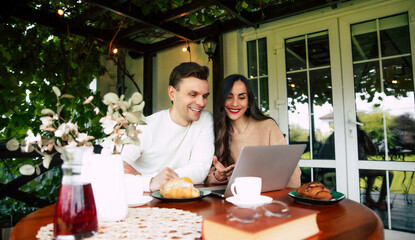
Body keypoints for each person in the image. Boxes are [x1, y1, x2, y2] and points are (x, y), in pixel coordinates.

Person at [122, 62, 215, 192]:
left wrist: (162, 180)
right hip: (143, 201)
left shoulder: (204, 119)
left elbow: (200, 170)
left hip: (180, 200)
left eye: (204, 96)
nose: (201, 103)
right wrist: (150, 182)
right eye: (193, 95)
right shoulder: (145, 126)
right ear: (172, 93)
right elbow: (112, 166)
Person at [204, 74, 301, 188]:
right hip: (234, 199)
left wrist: (288, 198)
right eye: (229, 97)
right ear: (221, 100)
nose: (235, 103)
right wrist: (218, 176)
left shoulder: (267, 126)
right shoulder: (215, 132)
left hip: (269, 197)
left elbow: (291, 168)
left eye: (241, 97)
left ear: (249, 101)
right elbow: (207, 178)